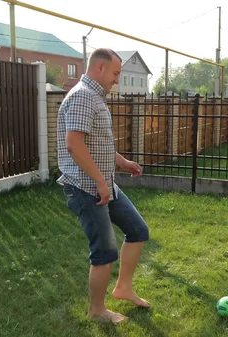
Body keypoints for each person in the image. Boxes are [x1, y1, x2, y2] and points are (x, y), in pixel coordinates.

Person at [57, 48, 150, 324]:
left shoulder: (93, 96)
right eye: (116, 73)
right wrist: (100, 181)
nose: (117, 80)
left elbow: (97, 143)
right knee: (104, 250)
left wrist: (122, 162)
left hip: (104, 184)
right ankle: (97, 310)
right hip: (86, 189)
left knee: (137, 230)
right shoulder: (84, 97)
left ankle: (123, 288)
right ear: (100, 68)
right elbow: (74, 144)